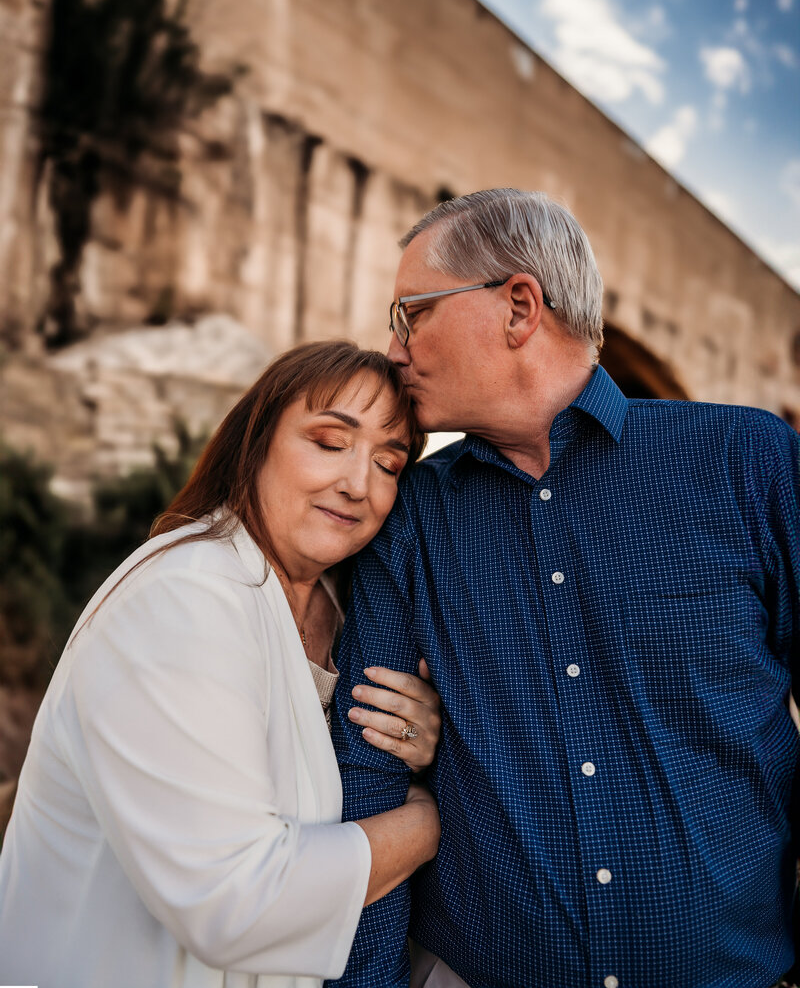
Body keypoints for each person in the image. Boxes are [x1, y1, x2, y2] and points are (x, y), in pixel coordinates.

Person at [330, 188, 800, 988]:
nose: (394, 348)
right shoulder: (409, 516)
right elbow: (368, 771)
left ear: (519, 307)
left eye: (413, 313)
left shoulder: (748, 463)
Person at [0, 340, 444, 988]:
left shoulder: (346, 616)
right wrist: (429, 818)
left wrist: (414, 742)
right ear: (255, 442)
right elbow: (235, 901)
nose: (358, 484)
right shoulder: (185, 597)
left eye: (388, 463)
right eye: (329, 442)